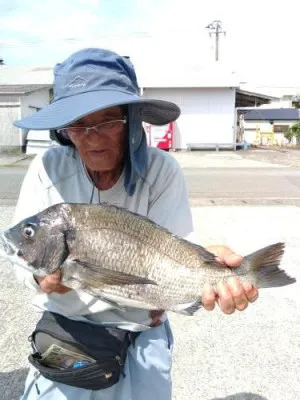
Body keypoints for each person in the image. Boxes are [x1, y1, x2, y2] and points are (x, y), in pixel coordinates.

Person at [13, 48, 258, 400]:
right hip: (68, 333)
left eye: (107, 120)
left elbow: (173, 251)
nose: (92, 137)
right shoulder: (47, 168)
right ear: (64, 130)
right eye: (79, 125)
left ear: (131, 119)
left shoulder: (162, 170)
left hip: (142, 329)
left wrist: (208, 262)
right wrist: (42, 277)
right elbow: (23, 258)